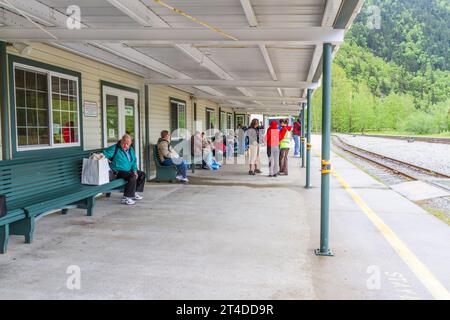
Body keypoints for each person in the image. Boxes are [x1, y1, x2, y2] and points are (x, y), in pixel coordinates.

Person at [103, 134, 146, 205]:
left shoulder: (131, 149)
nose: (126, 146)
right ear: (121, 141)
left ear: (131, 143)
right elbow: (104, 154)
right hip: (117, 171)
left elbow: (134, 161)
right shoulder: (115, 148)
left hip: (128, 170)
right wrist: (101, 156)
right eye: (124, 143)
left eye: (128, 144)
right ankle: (126, 198)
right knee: (132, 176)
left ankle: (134, 192)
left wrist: (135, 170)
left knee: (142, 175)